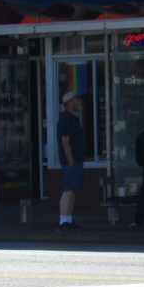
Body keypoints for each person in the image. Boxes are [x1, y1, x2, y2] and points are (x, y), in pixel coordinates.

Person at [56, 91, 86, 232]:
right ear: (69, 103)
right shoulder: (66, 120)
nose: (79, 101)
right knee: (68, 190)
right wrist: (71, 161)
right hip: (70, 162)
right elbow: (65, 142)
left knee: (73, 191)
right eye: (77, 99)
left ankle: (68, 219)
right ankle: (63, 222)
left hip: (76, 160)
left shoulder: (73, 119)